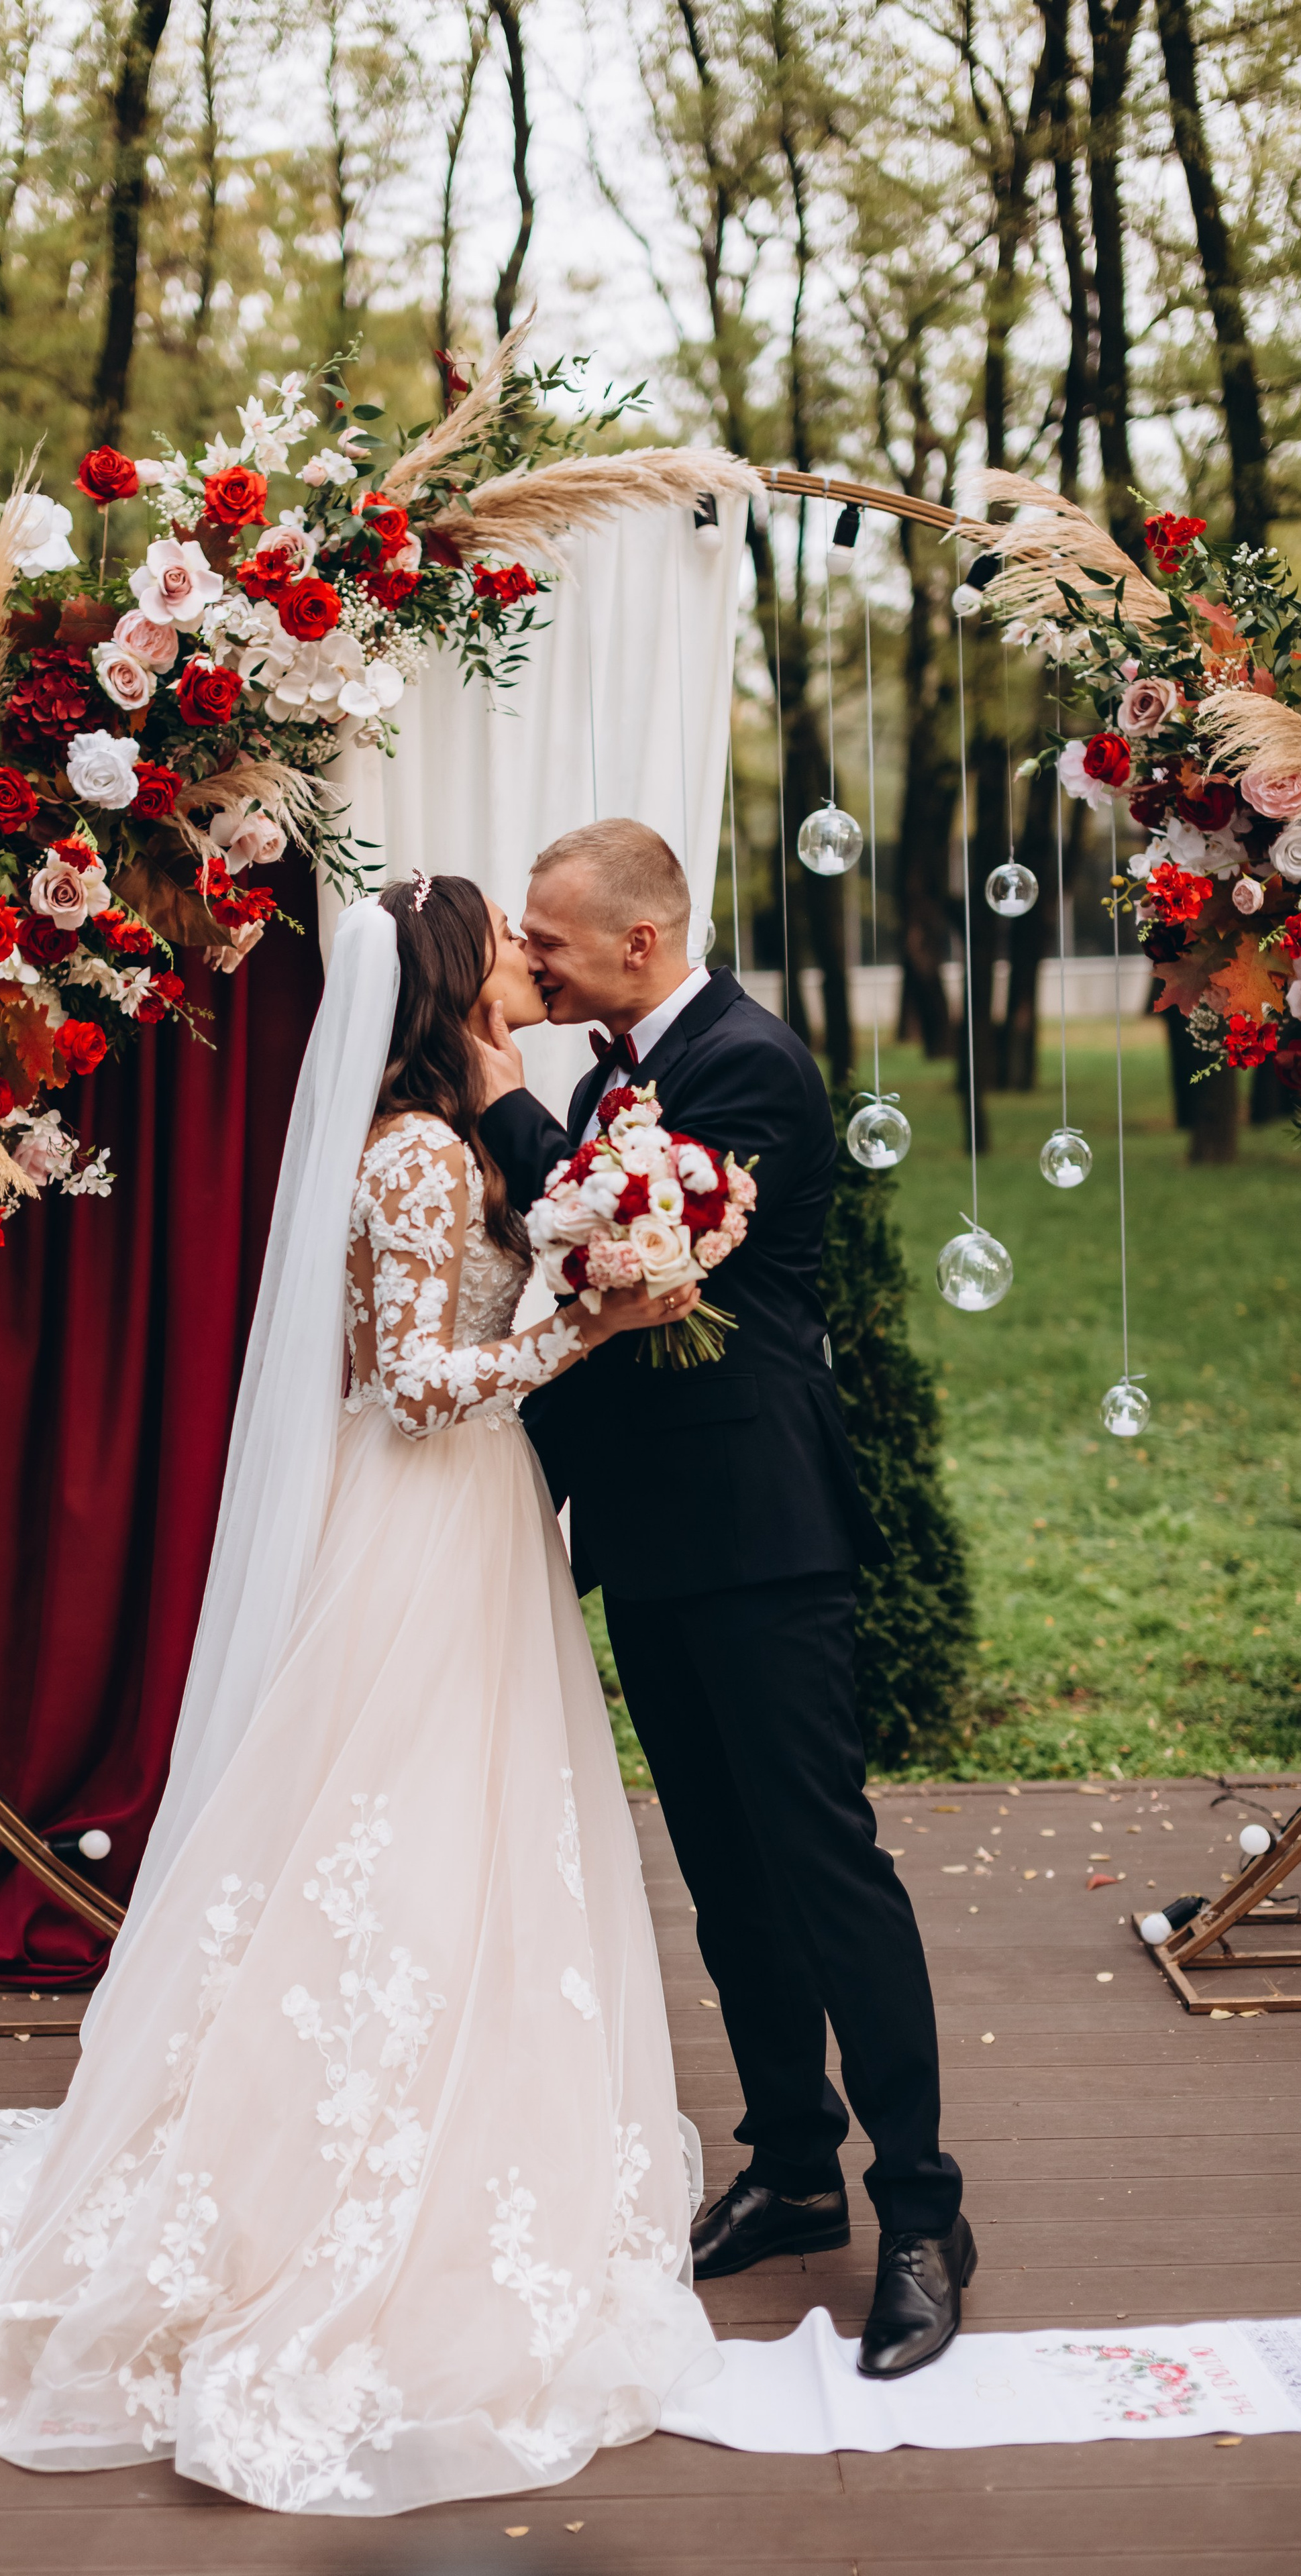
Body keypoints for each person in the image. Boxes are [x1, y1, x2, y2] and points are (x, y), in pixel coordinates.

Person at [0, 879, 722, 2516]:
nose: (521, 970)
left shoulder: (465, 1128)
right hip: (426, 1521)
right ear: (448, 983)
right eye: (500, 949)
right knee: (395, 1839)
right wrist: (593, 1319)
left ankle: (454, 2129)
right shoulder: (411, 1152)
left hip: (469, 1531)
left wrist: (580, 1289)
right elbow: (412, 1384)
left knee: (462, 1840)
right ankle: (328, 2179)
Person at [475, 818, 974, 2381]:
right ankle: (788, 2166)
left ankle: (921, 2211)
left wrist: (492, 1091)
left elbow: (625, 1241)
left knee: (821, 1870)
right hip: (657, 1533)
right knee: (721, 1872)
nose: (529, 960)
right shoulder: (623, 1071)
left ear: (637, 943)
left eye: (548, 940)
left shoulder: (744, 1066)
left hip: (760, 1535)